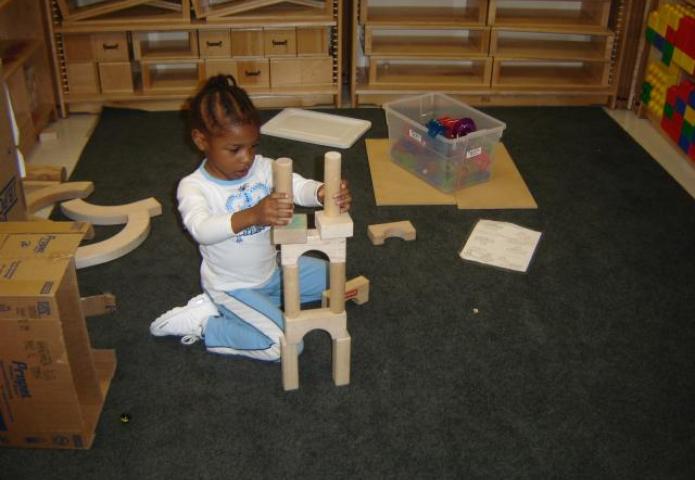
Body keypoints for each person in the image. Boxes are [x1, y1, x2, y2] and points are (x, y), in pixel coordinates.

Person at [150, 74, 351, 362]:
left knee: (336, 277)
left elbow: (296, 186)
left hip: (272, 273)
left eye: (253, 146)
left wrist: (321, 191)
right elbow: (201, 230)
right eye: (234, 149)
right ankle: (207, 323)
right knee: (288, 347)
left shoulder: (261, 167)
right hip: (231, 287)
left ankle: (260, 307)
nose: (247, 158)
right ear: (200, 140)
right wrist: (254, 215)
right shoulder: (193, 187)